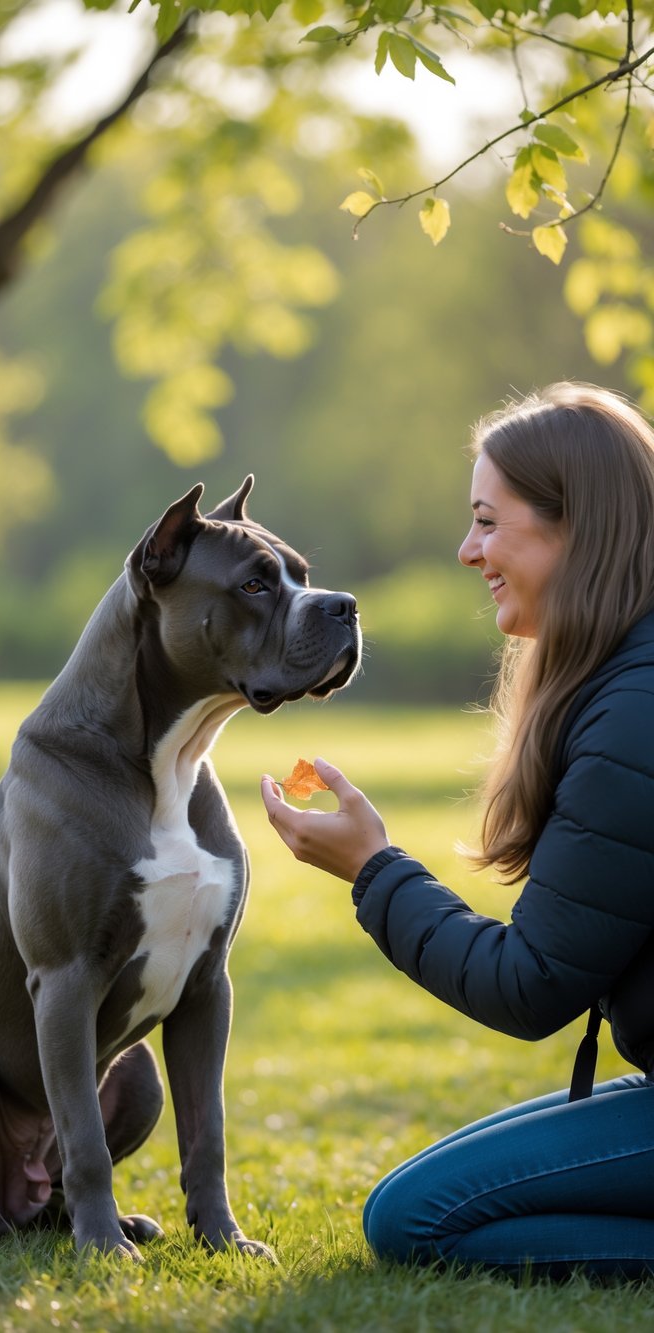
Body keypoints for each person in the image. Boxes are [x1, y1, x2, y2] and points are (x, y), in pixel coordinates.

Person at [260, 381, 654, 1280]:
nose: (467, 549)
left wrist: (373, 869)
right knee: (425, 1188)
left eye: (487, 520)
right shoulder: (626, 677)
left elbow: (531, 985)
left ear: (575, 527)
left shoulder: (637, 710)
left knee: (416, 1216)